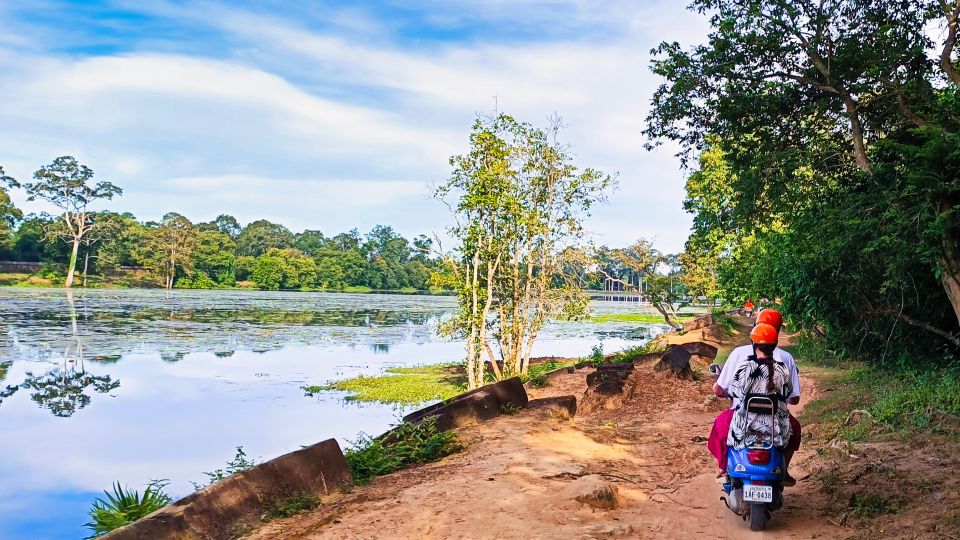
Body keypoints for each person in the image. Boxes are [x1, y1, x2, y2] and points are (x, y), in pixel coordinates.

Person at [709, 314, 801, 485]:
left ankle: (724, 467)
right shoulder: (783, 368)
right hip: (776, 427)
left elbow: (734, 391)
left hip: (744, 425)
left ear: (754, 342)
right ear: (775, 342)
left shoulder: (744, 366)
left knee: (720, 426)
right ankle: (783, 470)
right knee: (795, 430)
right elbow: (790, 395)